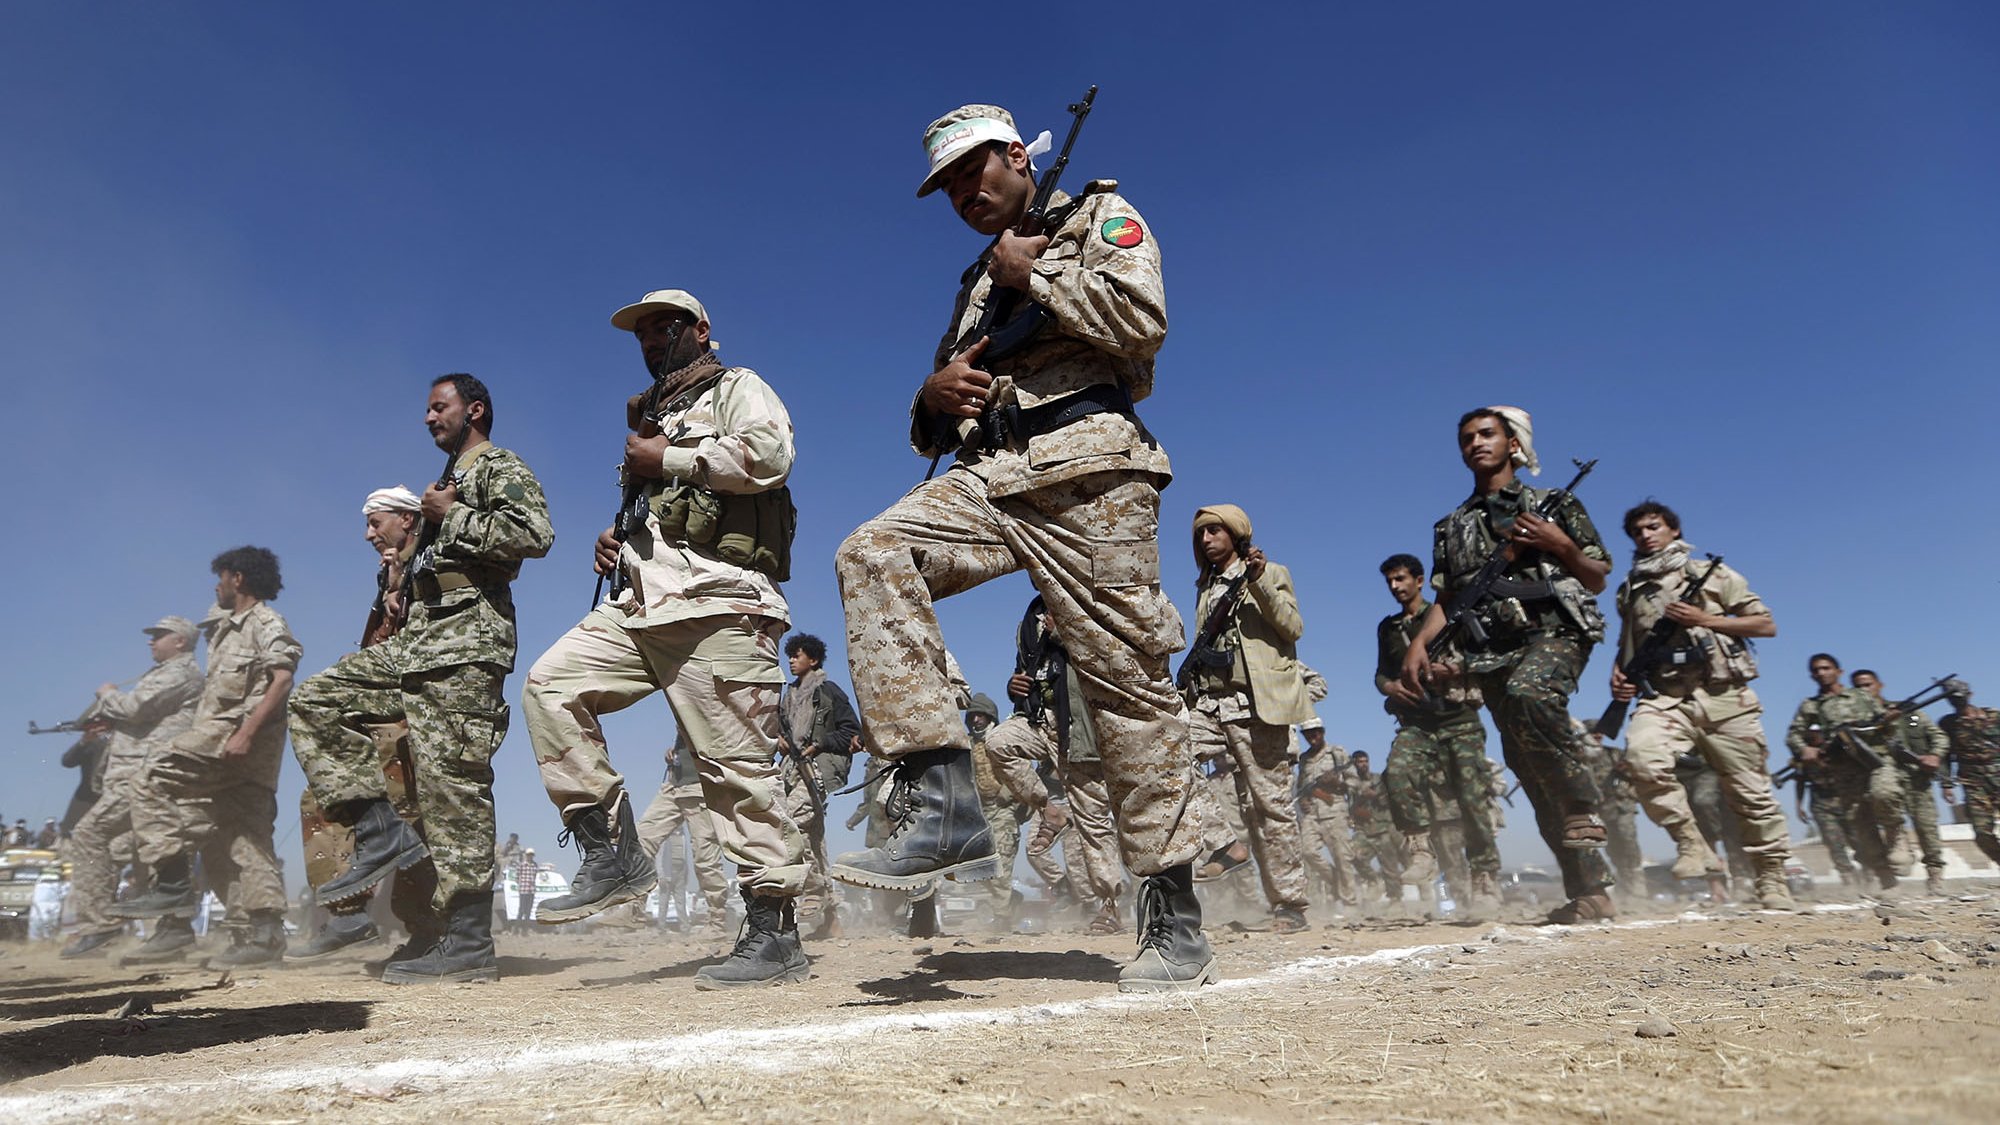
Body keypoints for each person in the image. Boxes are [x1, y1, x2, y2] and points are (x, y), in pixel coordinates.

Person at [831, 102, 1211, 992]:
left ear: (1015, 156)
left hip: (1090, 476)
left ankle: (1173, 909)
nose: (966, 193)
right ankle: (943, 794)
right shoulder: (976, 279)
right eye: (951, 186)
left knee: (1128, 689)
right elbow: (937, 411)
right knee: (874, 550)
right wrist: (933, 395)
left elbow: (1140, 320)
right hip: (990, 474)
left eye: (975, 171)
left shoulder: (1096, 222)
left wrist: (1034, 277)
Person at [522, 289, 808, 990]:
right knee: (550, 685)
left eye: (665, 327)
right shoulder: (652, 417)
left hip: (719, 600)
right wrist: (619, 540)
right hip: (642, 602)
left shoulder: (737, 387)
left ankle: (774, 933)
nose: (652, 341)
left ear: (702, 330)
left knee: (736, 770)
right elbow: (662, 513)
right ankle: (612, 852)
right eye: (644, 334)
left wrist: (668, 460)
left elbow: (771, 454)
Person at [290, 374, 553, 984]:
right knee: (316, 701)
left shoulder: (495, 468)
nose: (429, 418)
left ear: (475, 409)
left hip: (467, 646)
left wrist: (454, 514)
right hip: (419, 643)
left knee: (452, 790)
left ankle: (467, 943)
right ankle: (381, 832)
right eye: (427, 410)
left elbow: (534, 535)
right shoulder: (444, 485)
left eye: (440, 407)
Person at [1400, 406, 1616, 924]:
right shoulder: (1451, 526)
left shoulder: (1550, 505)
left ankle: (1583, 801)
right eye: (1468, 437)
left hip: (1556, 631)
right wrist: (1418, 645)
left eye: (1487, 434)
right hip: (1491, 652)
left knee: (1531, 695)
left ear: (1513, 443)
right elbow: (1448, 598)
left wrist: (1558, 543)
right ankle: (1591, 892)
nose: (1476, 443)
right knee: (1530, 768)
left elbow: (1597, 575)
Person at [113, 548, 301, 966]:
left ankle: (174, 882)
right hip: (237, 747)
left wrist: (246, 734)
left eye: (220, 578)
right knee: (240, 838)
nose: (215, 586)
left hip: (235, 740)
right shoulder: (226, 629)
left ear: (238, 578)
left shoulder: (266, 622)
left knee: (149, 777)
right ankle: (258, 934)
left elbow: (283, 678)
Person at [1608, 501, 1794, 909]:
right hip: (1667, 697)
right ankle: (1691, 843)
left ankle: (1771, 877)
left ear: (1673, 530)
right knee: (1641, 758)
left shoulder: (1712, 574)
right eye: (1637, 531)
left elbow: (1765, 624)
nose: (1645, 535)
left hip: (1724, 696)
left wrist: (1705, 620)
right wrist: (1619, 672)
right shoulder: (1631, 587)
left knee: (1752, 795)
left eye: (1653, 527)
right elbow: (1630, 640)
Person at [290, 485, 436, 963]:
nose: (368, 533)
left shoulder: (433, 558)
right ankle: (347, 912)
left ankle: (429, 930)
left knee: (415, 818)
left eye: (377, 522)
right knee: (325, 793)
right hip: (384, 711)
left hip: (420, 710)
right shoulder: (393, 573)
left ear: (407, 520)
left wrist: (402, 586)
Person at [1178, 505, 1312, 932]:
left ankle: (1290, 905)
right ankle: (1224, 846)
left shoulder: (1269, 573)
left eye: (1214, 530)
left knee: (1269, 808)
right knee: (1168, 756)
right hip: (1210, 705)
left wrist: (1258, 585)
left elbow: (1292, 628)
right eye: (1200, 533)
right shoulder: (1207, 587)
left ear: (1236, 534)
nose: (1205, 539)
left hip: (1256, 704)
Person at [59, 616, 204, 959]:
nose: (151, 642)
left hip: (146, 777)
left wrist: (108, 695)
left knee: (89, 834)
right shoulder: (165, 674)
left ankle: (98, 924)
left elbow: (134, 708)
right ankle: (172, 933)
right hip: (142, 776)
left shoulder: (179, 672)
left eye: (158, 636)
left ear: (180, 641)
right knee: (148, 853)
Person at [984, 599, 1125, 933]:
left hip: (1076, 727)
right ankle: (1049, 809)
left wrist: (1062, 633)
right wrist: (1013, 686)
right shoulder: (1029, 617)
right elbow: (1028, 670)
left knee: (1093, 822)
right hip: (1038, 720)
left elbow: (1108, 656)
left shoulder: (1083, 601)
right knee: (998, 742)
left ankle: (1110, 905)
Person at [1374, 552, 1500, 912]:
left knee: (1473, 801)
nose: (1395, 587)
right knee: (1397, 774)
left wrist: (1452, 669)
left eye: (1400, 579)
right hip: (1417, 721)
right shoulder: (1388, 628)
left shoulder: (1447, 615)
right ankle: (1420, 850)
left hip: (1458, 719)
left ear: (1419, 580)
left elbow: (1485, 657)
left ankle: (1485, 879)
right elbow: (1381, 672)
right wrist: (1390, 688)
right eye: (1390, 582)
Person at [1785, 654, 1907, 891]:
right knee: (1861, 824)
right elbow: (1793, 735)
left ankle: (1896, 836)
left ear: (1838, 671)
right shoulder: (1811, 705)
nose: (1821, 673)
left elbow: (1884, 724)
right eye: (1816, 670)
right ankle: (1886, 880)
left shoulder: (1861, 695)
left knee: (1885, 794)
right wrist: (1805, 749)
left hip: (1875, 759)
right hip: (1844, 769)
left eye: (1826, 668)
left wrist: (1890, 720)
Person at [778, 633, 862, 938]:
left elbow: (851, 732)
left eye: (797, 655)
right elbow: (780, 731)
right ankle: (831, 919)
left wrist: (820, 744)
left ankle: (812, 890)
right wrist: (781, 740)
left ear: (812, 659)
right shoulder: (789, 695)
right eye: (790, 655)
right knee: (815, 842)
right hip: (792, 771)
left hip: (819, 771)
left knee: (791, 822)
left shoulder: (828, 692)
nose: (791, 660)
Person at [1853, 670, 1950, 894]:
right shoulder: (1857, 720)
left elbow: (1938, 737)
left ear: (1880, 685)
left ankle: (1935, 875)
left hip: (1915, 779)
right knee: (1882, 825)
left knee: (1926, 828)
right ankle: (1888, 875)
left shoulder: (1908, 712)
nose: (1865, 690)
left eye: (1868, 684)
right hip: (1880, 780)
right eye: (1859, 687)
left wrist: (1934, 755)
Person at [634, 733, 731, 940]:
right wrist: (675, 751)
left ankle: (717, 921)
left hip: (700, 784)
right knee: (641, 838)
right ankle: (633, 907)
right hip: (675, 782)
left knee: (705, 856)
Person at [1295, 722, 1360, 914]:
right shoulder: (1304, 759)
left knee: (1342, 858)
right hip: (1312, 814)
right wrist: (1303, 800)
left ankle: (1350, 903)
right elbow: (1301, 786)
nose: (1311, 737)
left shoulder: (1336, 753)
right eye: (1307, 734)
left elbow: (1354, 782)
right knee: (1308, 852)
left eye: (1314, 733)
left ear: (1322, 732)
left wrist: (1337, 782)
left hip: (1335, 812)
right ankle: (1335, 881)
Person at [1939, 680, 2000, 866]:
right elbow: (1945, 756)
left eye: (1959, 697)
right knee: (1982, 833)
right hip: (1973, 782)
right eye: (1951, 698)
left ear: (1970, 695)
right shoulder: (1948, 724)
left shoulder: (1994, 715)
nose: (1956, 701)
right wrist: (1946, 784)